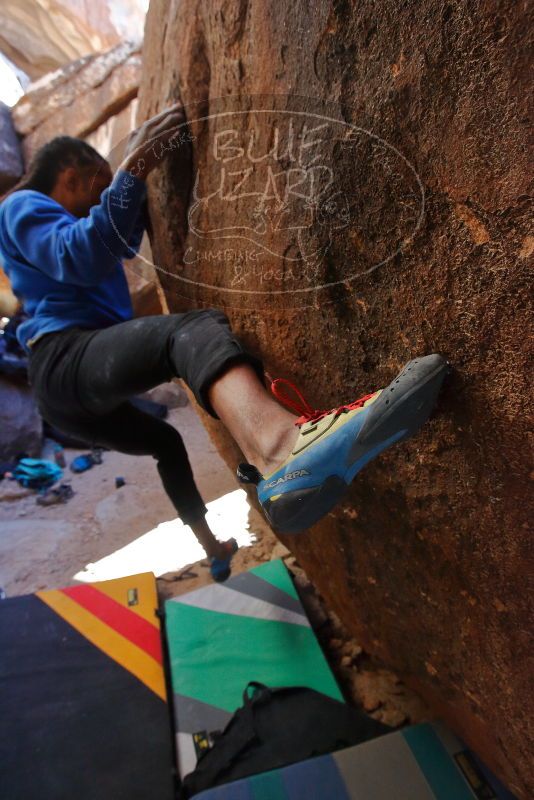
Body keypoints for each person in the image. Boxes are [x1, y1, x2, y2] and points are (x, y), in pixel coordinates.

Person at [0, 106, 449, 580]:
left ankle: (212, 547)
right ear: (72, 177)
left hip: (75, 395)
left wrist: (139, 187)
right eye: (100, 186)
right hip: (62, 360)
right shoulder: (21, 205)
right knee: (189, 332)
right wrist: (132, 167)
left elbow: (117, 237)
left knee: (167, 443)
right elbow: (82, 254)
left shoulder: (60, 223)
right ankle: (280, 447)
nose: (104, 197)